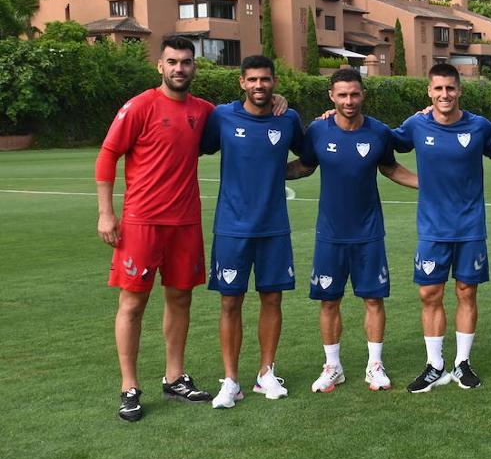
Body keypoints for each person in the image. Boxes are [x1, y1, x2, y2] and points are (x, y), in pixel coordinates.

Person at [96, 37, 215, 422]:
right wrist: (105, 213)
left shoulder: (205, 111)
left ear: (195, 67)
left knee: (181, 300)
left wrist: (281, 103)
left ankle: (175, 376)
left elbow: (248, 113)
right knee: (132, 303)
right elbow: (108, 155)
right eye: (172, 62)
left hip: (185, 223)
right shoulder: (140, 106)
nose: (180, 68)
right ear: (159, 66)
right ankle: (129, 386)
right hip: (142, 222)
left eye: (186, 62)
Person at [286, 68, 418, 393]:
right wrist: (263, 172)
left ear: (363, 95)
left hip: (369, 232)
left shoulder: (379, 132)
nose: (349, 101)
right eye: (342, 95)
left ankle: (375, 366)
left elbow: (390, 167)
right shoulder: (317, 130)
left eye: (354, 94)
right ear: (331, 96)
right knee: (329, 301)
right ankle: (333, 367)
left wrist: (429, 184)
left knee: (373, 299)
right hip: (329, 234)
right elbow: (303, 166)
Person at [391, 63, 491, 393]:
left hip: (469, 227)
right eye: (438, 89)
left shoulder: (478, 127)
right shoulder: (415, 125)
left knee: (467, 292)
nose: (444, 94)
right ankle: (434, 365)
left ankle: (462, 363)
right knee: (429, 294)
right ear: (429, 92)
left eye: (450, 88)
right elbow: (383, 153)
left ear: (459, 90)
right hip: (433, 228)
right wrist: (419, 182)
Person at [200, 55, 304, 409]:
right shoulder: (223, 116)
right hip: (231, 226)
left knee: (272, 299)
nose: (260, 86)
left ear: (275, 82)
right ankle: (231, 381)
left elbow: (308, 159)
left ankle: (265, 373)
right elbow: (195, 146)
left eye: (266, 80)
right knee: (230, 301)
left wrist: (278, 174)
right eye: (253, 80)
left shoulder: (287, 118)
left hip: (274, 227)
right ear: (242, 83)